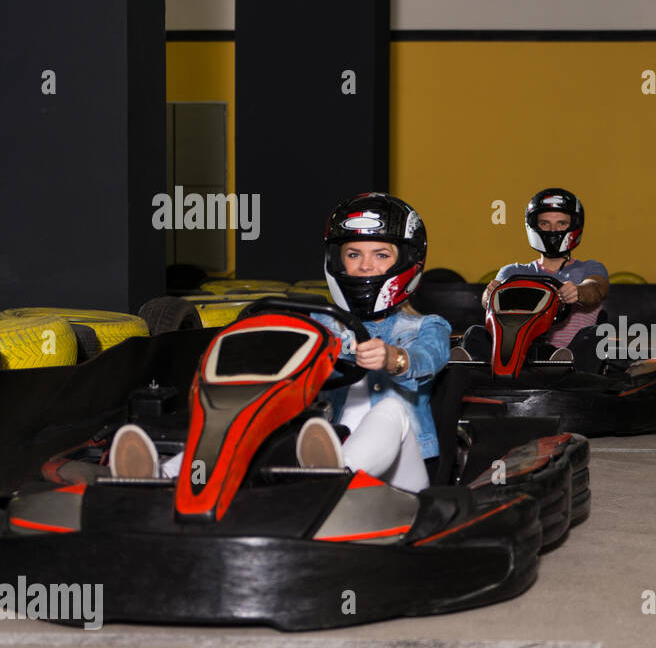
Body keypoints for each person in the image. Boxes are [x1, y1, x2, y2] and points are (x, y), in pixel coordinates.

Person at [108, 192, 450, 493]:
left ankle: (335, 474)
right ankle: (165, 475)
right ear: (337, 259)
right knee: (258, 414)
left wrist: (394, 358)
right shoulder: (321, 323)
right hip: (323, 446)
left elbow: (427, 359)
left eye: (380, 255)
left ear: (405, 262)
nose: (364, 266)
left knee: (392, 409)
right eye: (353, 254)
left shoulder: (425, 326)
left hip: (403, 481)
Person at [457, 187, 609, 368]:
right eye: (545, 223)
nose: (553, 230)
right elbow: (486, 300)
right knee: (476, 333)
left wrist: (578, 292)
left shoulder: (589, 268)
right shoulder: (513, 272)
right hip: (520, 355)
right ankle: (468, 370)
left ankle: (560, 364)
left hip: (570, 357)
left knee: (595, 334)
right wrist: (489, 293)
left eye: (561, 223)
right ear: (534, 226)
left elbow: (596, 288)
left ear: (574, 226)